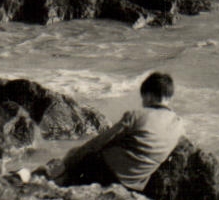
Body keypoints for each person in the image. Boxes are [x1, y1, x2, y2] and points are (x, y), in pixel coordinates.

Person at [49, 72, 184, 191]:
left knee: (75, 155)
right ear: (169, 97)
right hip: (136, 183)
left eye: (143, 98)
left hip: (110, 173)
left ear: (148, 96)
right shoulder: (178, 124)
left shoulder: (137, 115)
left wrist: (71, 160)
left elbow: (98, 142)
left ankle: (54, 185)